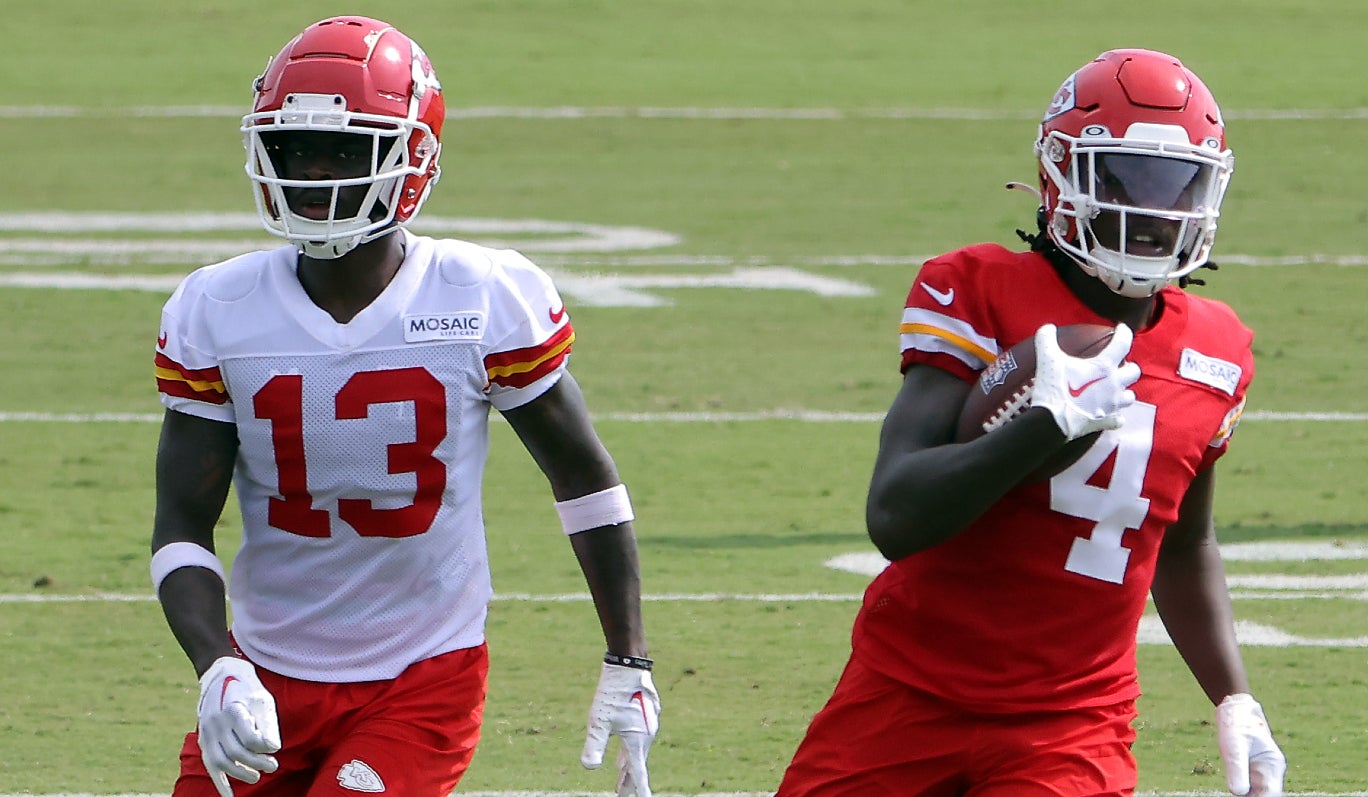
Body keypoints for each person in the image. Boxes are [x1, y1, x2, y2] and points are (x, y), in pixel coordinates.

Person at [150, 16, 659, 797]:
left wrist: (628, 657)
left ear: (410, 155)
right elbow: (182, 524)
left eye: (347, 148)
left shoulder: (483, 296)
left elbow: (584, 479)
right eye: (296, 148)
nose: (316, 171)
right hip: (266, 669)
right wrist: (217, 663)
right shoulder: (217, 307)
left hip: (423, 674)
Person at [776, 49, 1285, 797]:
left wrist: (1233, 695)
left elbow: (1182, 542)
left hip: (1071, 723)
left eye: (1176, 183)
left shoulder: (1218, 349)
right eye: (1124, 178)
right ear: (1060, 172)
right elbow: (895, 512)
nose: (1151, 208)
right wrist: (1037, 428)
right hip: (905, 688)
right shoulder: (975, 290)